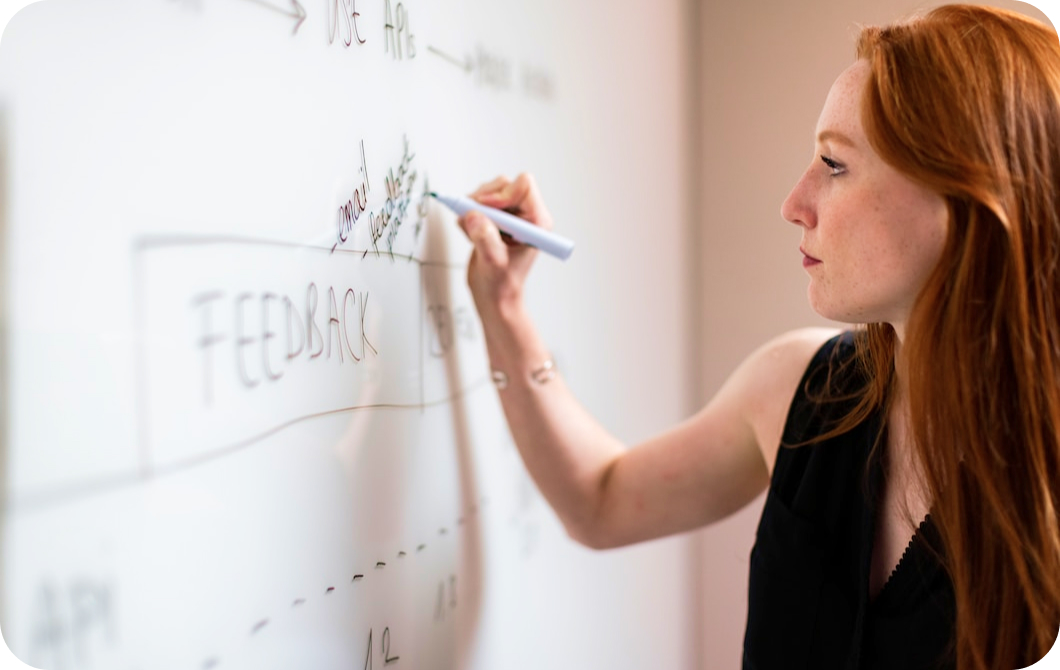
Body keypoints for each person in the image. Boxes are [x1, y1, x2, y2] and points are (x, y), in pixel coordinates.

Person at [455, 5, 1060, 669]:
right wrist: (505, 307)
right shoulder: (800, 389)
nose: (794, 203)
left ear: (965, 197)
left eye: (834, 164)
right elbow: (599, 501)